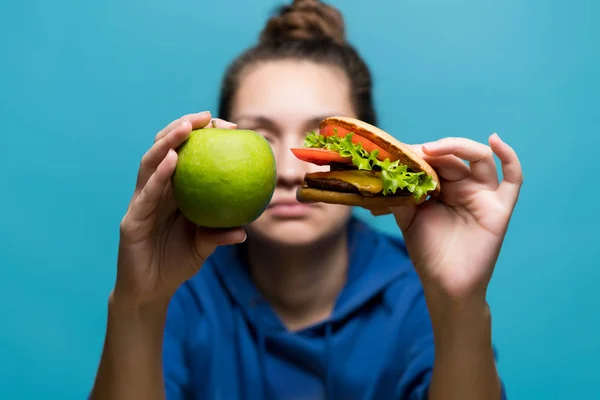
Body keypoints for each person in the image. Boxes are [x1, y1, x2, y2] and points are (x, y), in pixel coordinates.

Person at [90, 0, 523, 399]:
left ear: (370, 150)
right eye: (259, 137)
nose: (290, 170)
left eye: (319, 140)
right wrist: (138, 303)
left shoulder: (416, 295)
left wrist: (460, 304)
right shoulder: (178, 289)